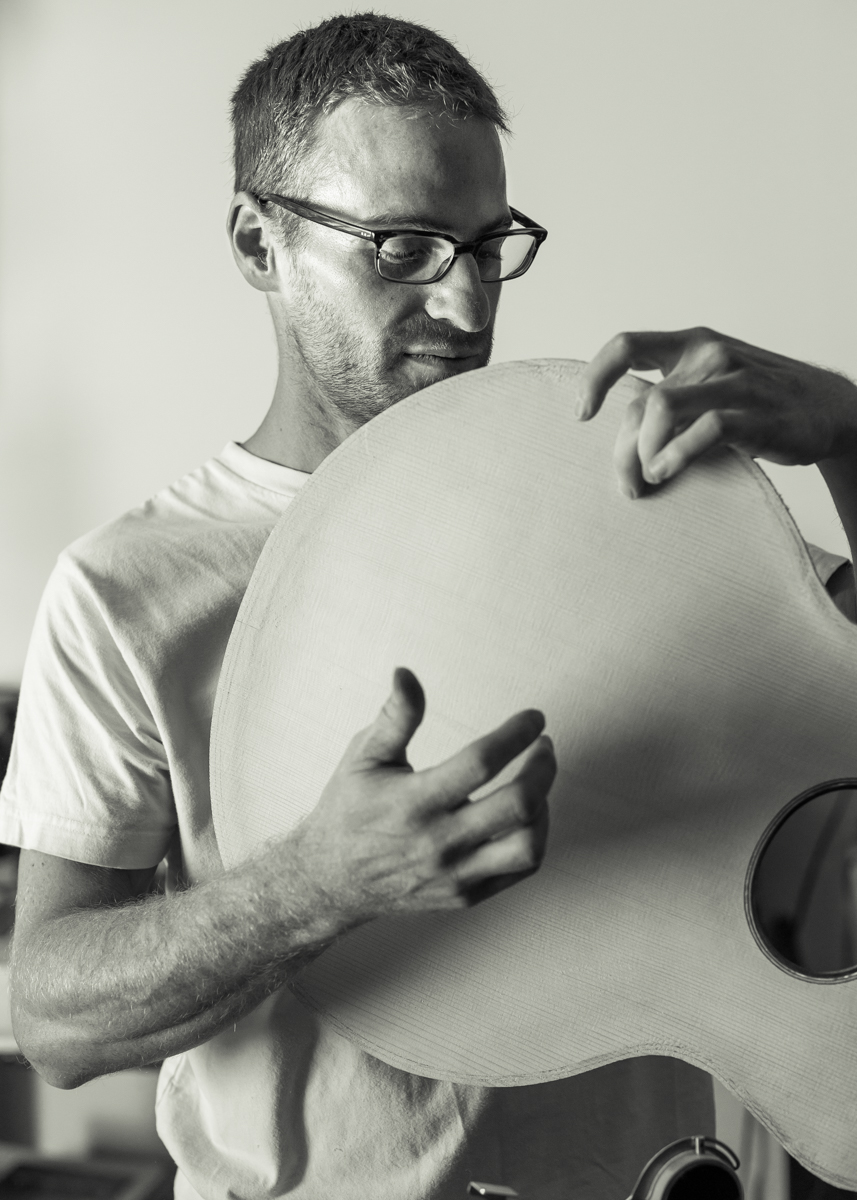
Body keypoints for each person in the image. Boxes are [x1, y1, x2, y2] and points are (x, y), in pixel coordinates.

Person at [2, 13, 856, 1200]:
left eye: (486, 246)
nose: (463, 307)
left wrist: (846, 434)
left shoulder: (611, 482)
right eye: (401, 248)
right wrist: (318, 886)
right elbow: (50, 1019)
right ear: (258, 242)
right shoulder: (127, 587)